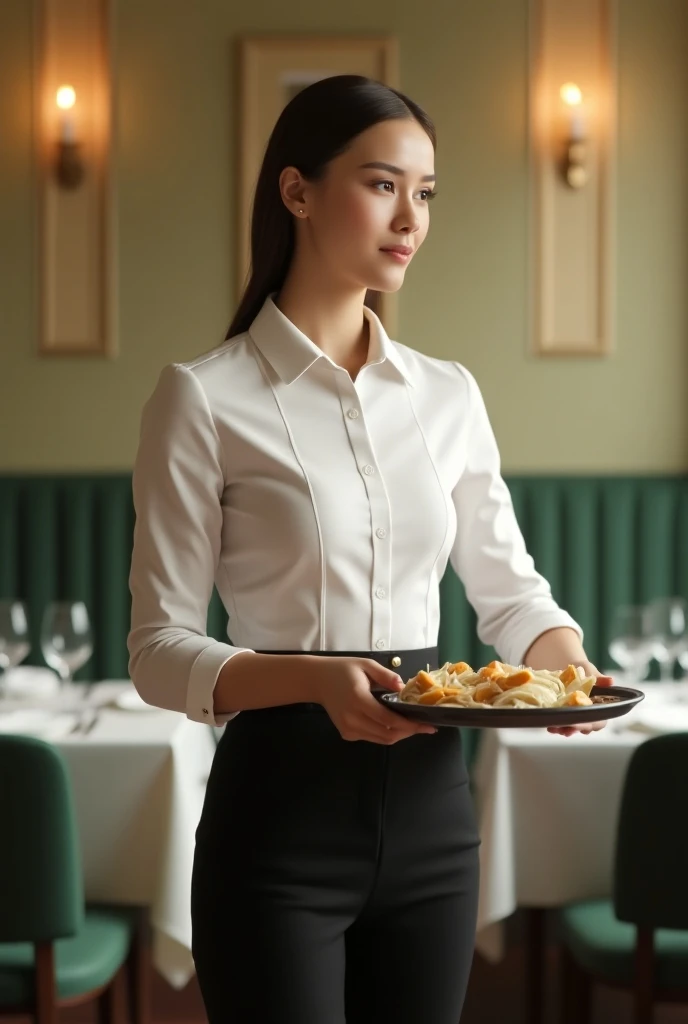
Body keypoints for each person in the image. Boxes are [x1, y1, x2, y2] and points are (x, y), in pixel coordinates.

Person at [127, 74, 611, 1024]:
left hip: (435, 818)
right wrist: (316, 680)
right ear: (296, 190)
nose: (411, 218)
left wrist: (568, 670)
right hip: (278, 821)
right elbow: (157, 652)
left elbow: (513, 596)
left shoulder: (448, 394)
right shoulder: (202, 398)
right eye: (384, 184)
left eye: (425, 192)